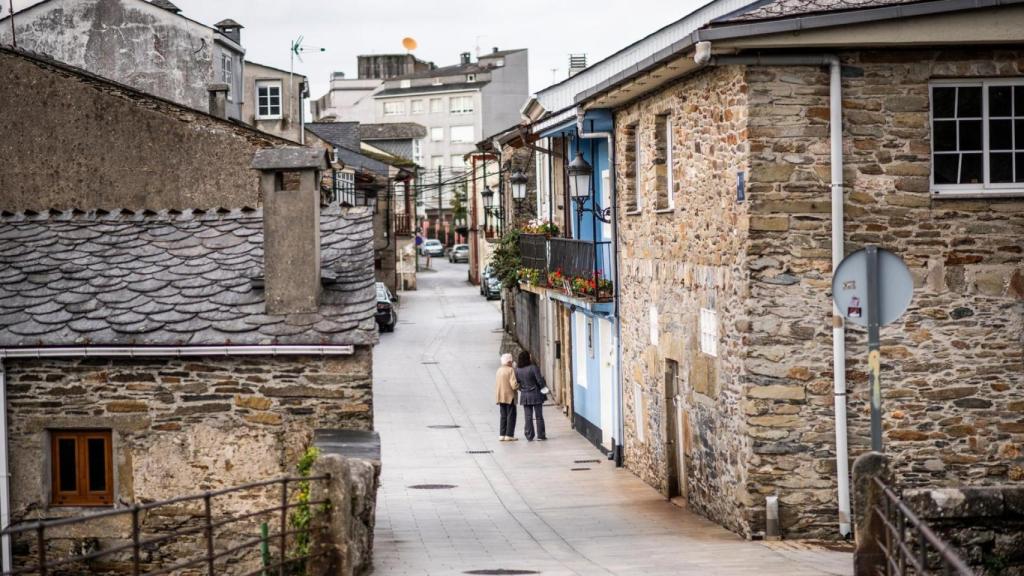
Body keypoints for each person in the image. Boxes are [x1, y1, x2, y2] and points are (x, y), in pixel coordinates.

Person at [514, 350, 547, 441]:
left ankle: (529, 435)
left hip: (525, 395)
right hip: (535, 393)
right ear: (527, 358)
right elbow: (539, 380)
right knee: (539, 416)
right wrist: (543, 388)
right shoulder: (533, 368)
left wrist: (522, 389)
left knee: (528, 417)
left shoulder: (517, 370)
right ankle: (541, 435)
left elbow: (517, 382)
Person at [495, 353, 518, 441]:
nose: (512, 363)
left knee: (503, 415)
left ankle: (502, 434)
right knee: (511, 415)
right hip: (509, 396)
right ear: (509, 362)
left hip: (500, 396)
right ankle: (509, 435)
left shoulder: (499, 370)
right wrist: (518, 386)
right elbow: (513, 385)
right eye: (511, 361)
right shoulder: (510, 370)